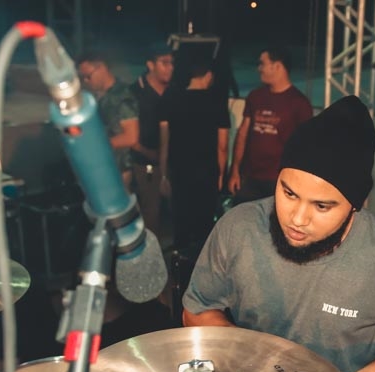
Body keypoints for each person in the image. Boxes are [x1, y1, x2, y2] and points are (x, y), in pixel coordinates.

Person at [183, 96, 375, 372]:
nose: (297, 219)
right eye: (289, 193)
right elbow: (197, 309)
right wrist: (257, 357)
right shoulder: (239, 227)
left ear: (355, 204)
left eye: (321, 206)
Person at [158, 60, 230, 252]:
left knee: (181, 219)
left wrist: (164, 173)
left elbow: (164, 140)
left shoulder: (171, 98)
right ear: (208, 75)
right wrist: (221, 174)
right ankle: (200, 260)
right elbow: (222, 145)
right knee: (204, 222)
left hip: (180, 169)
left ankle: (179, 257)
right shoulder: (217, 101)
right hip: (207, 170)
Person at [227, 46, 313, 203]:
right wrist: (235, 171)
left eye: (262, 64)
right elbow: (242, 134)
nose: (259, 69)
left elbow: (306, 146)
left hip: (279, 180)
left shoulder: (300, 103)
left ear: (277, 66)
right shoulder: (255, 96)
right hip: (250, 178)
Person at [76, 50, 139, 190]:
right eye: (83, 78)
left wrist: (98, 145)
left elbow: (131, 137)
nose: (86, 81)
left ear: (101, 68)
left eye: (88, 76)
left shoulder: (121, 96)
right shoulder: (99, 97)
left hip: (119, 170)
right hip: (105, 167)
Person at [130, 44, 174, 235]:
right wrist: (147, 152)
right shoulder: (135, 93)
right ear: (150, 64)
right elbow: (126, 133)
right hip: (145, 164)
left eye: (172, 63)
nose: (170, 68)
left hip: (174, 163)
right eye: (165, 63)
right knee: (150, 214)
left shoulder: (176, 90)